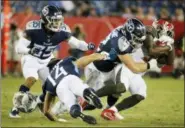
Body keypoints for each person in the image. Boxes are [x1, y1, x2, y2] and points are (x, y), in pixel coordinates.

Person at [9, 5, 95, 118]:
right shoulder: (34, 29)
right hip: (31, 58)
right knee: (32, 78)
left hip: (46, 59)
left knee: (52, 85)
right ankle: (15, 108)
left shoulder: (62, 31)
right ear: (45, 19)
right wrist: (29, 50)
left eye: (58, 20)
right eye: (54, 20)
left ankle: (40, 102)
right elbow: (19, 48)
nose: (57, 23)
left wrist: (87, 46)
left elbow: (77, 43)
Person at [84, 19, 175, 120]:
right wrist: (166, 47)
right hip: (127, 66)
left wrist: (170, 47)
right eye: (159, 28)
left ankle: (111, 110)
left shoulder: (165, 44)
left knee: (140, 94)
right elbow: (151, 51)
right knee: (120, 88)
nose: (156, 29)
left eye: (159, 28)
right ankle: (89, 96)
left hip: (138, 72)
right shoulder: (147, 33)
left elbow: (169, 62)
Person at [35, 49, 117, 124]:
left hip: (60, 89)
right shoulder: (64, 62)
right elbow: (81, 62)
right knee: (82, 89)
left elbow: (46, 110)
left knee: (72, 105)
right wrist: (94, 57)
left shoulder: (48, 81)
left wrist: (53, 119)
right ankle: (88, 93)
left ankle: (76, 111)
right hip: (70, 78)